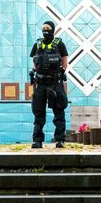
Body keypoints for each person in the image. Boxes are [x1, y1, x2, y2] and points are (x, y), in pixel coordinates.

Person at [29, 20, 69, 148]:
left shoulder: (59, 44)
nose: (45, 30)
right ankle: (37, 140)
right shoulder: (38, 44)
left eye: (48, 28)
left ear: (52, 29)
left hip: (54, 82)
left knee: (59, 111)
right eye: (43, 28)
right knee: (38, 112)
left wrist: (60, 72)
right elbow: (34, 61)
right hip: (40, 83)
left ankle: (60, 140)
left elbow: (64, 61)